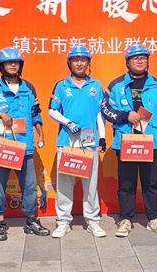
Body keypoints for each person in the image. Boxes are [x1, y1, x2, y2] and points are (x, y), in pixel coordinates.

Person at [0, 47, 49, 241]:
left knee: (30, 186)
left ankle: (31, 220)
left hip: (25, 147)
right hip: (2, 147)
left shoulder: (29, 88)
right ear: (1, 65)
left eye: (17, 62)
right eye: (9, 62)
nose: (13, 65)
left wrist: (41, 134)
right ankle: (0, 222)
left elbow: (35, 113)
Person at [101, 45, 157, 237]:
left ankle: (153, 219)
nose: (140, 61)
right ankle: (125, 219)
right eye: (135, 58)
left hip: (152, 141)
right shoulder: (116, 85)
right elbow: (105, 109)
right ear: (127, 63)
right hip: (127, 141)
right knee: (126, 183)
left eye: (143, 58)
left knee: (151, 183)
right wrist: (125, 115)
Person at [48, 45, 106, 238]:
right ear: (69, 63)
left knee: (90, 183)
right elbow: (52, 110)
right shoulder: (61, 85)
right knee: (65, 183)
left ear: (88, 63)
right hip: (67, 140)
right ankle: (63, 221)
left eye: (83, 60)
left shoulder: (96, 85)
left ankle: (93, 221)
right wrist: (68, 122)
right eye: (75, 60)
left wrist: (102, 137)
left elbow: (99, 114)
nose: (79, 63)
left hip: (89, 140)